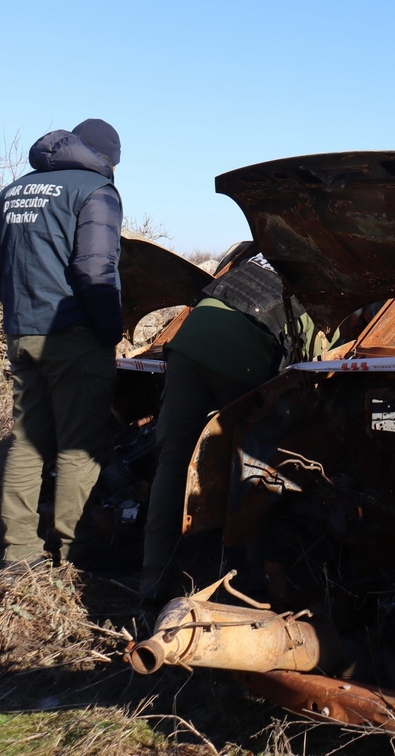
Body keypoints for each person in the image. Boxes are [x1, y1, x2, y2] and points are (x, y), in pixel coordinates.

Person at [0, 119, 124, 569]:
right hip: (74, 337)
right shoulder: (95, 190)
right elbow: (94, 268)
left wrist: (22, 311)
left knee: (28, 443)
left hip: (23, 333)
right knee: (78, 448)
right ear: (106, 156)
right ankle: (74, 552)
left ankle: (20, 553)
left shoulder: (16, 190)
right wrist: (109, 331)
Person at [139, 249, 311, 601]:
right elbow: (304, 360)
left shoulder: (255, 256)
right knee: (256, 458)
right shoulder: (315, 275)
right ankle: (255, 580)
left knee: (172, 459)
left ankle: (151, 578)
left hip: (189, 343)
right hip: (242, 355)